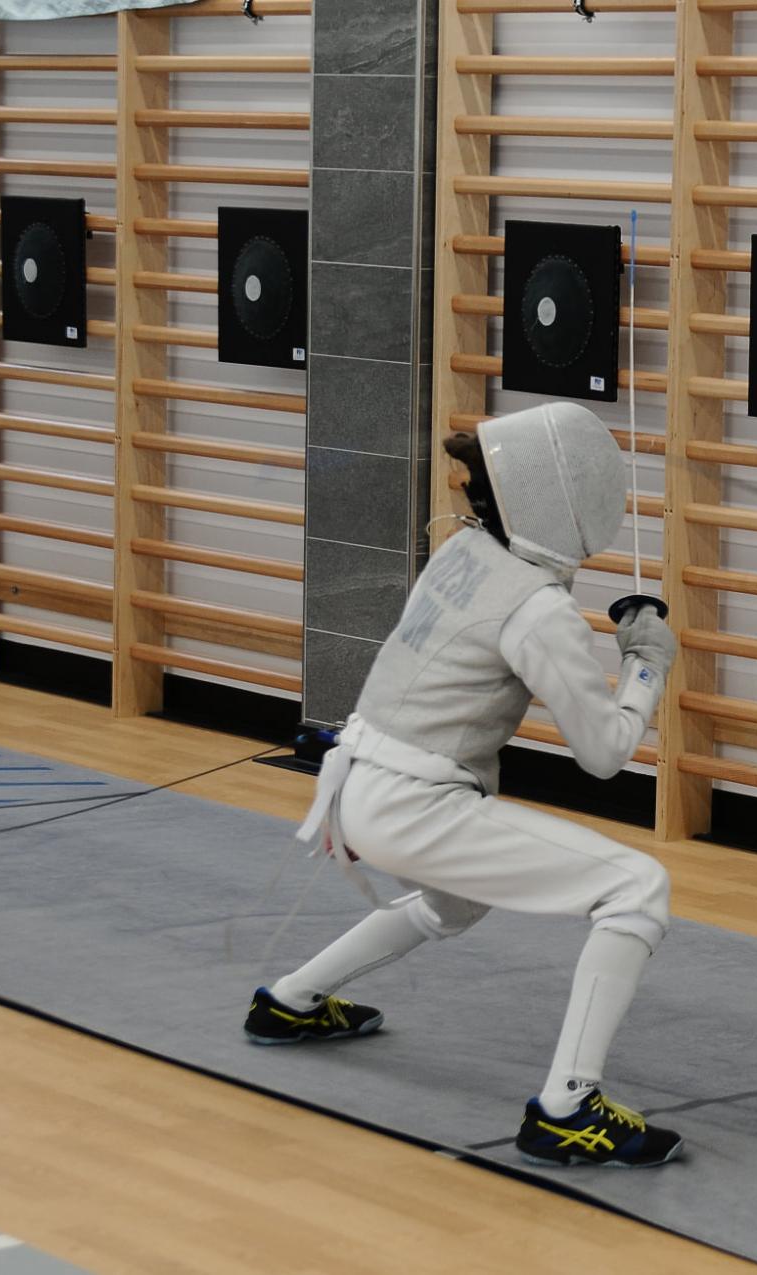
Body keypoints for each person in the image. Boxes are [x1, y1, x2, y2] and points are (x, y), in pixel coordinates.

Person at [243, 402, 684, 1169]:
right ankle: (568, 1108)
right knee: (638, 887)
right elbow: (606, 752)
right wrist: (646, 663)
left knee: (456, 901)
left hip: (357, 783)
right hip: (413, 805)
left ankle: (291, 999)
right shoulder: (539, 611)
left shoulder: (461, 550)